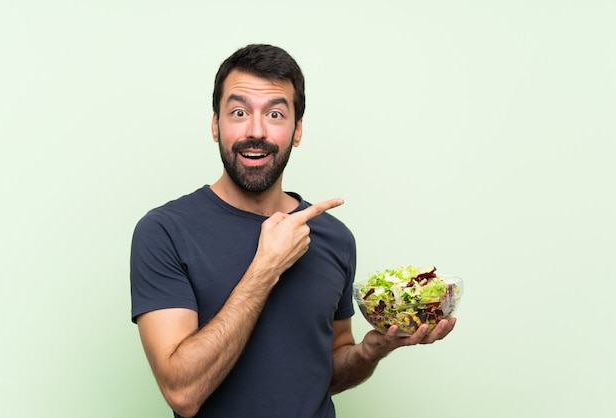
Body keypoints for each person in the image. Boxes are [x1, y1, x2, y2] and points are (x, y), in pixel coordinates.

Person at [130, 44, 456, 418]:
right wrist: (266, 267)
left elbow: (326, 370)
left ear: (297, 130)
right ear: (215, 125)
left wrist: (370, 351)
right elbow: (183, 392)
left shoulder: (334, 237)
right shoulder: (164, 232)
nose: (256, 131)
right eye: (238, 112)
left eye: (275, 114)